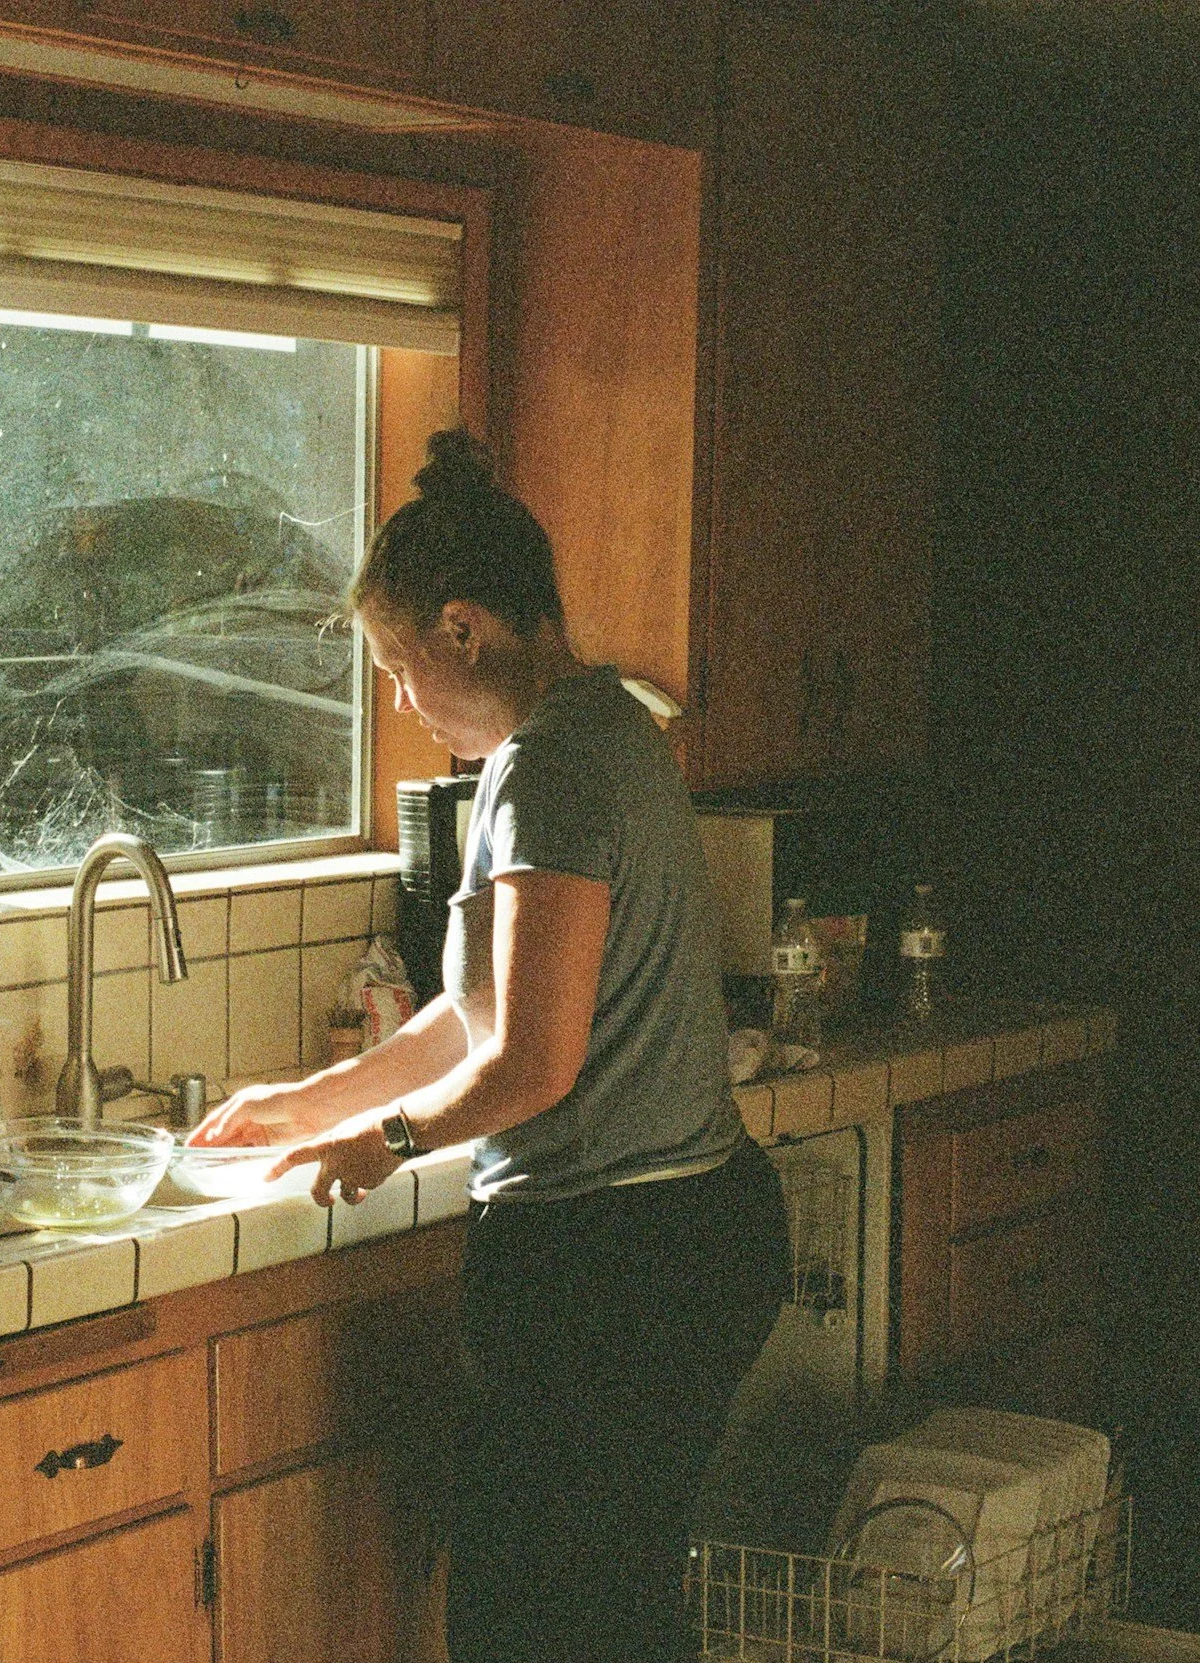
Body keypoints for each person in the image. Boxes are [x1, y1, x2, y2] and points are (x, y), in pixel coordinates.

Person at [190, 429, 788, 1663]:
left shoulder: (549, 770)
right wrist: (313, 1099)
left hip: (612, 1263)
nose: (402, 708)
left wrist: (387, 1140)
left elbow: (530, 1063)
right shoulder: (603, 727)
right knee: (606, 1616)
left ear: (464, 628)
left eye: (401, 670)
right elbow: (476, 1009)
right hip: (681, 1239)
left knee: (539, 1627)